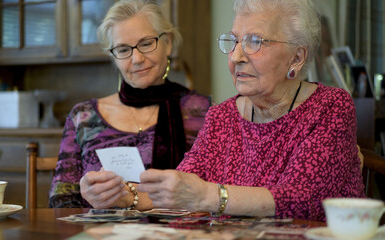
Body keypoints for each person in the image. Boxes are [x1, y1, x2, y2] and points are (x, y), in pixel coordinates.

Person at [136, 0, 366, 221]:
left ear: (297, 57)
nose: (236, 57)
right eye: (234, 41)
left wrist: (208, 196)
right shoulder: (221, 116)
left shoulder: (330, 107)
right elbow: (182, 187)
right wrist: (128, 195)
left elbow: (302, 201)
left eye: (255, 41)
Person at [49, 0, 211, 208]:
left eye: (146, 44)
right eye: (123, 49)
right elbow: (60, 202)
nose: (137, 59)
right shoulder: (83, 116)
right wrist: (85, 194)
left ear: (168, 43)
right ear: (113, 56)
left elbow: (218, 192)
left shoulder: (206, 112)